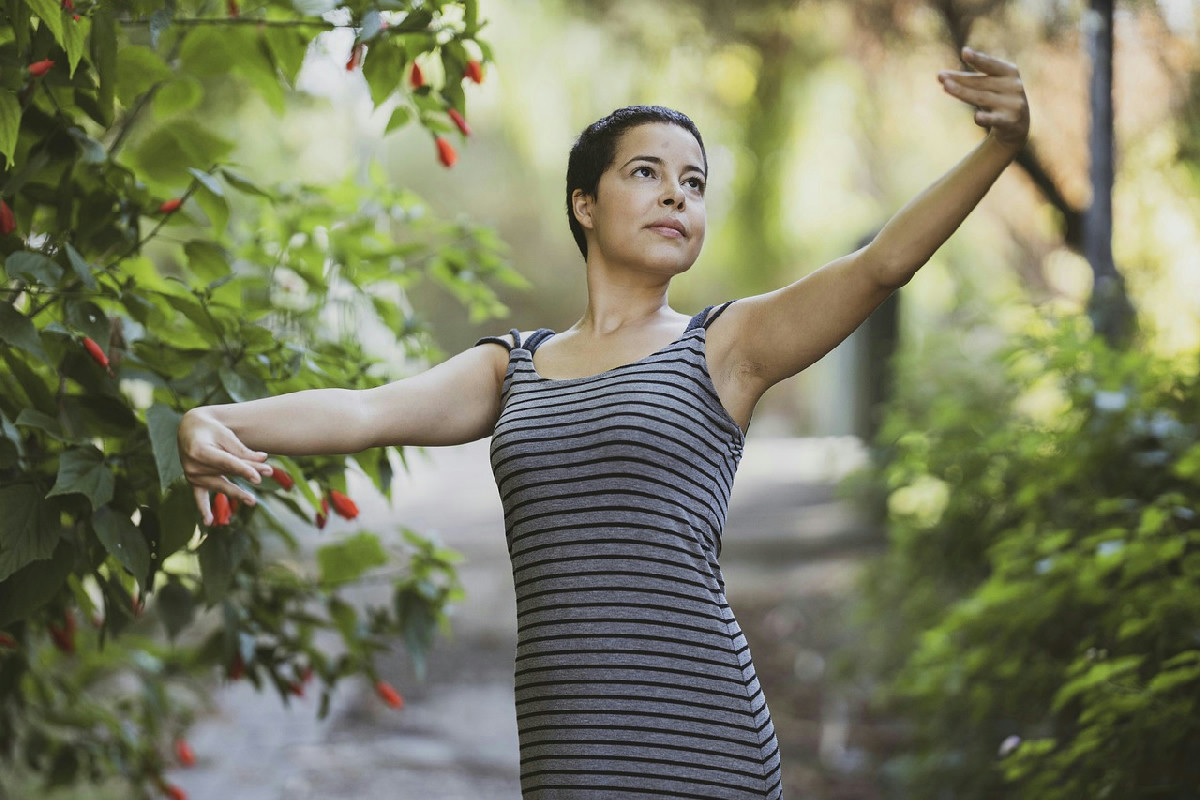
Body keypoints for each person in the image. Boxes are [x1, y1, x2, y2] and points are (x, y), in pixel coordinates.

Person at [178, 47, 1028, 799]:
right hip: (569, 744)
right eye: (648, 173)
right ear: (585, 204)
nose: (677, 195)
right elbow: (367, 410)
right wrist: (216, 417)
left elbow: (880, 265)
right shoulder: (512, 367)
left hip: (702, 731)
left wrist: (996, 148)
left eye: (694, 183)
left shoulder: (723, 347)